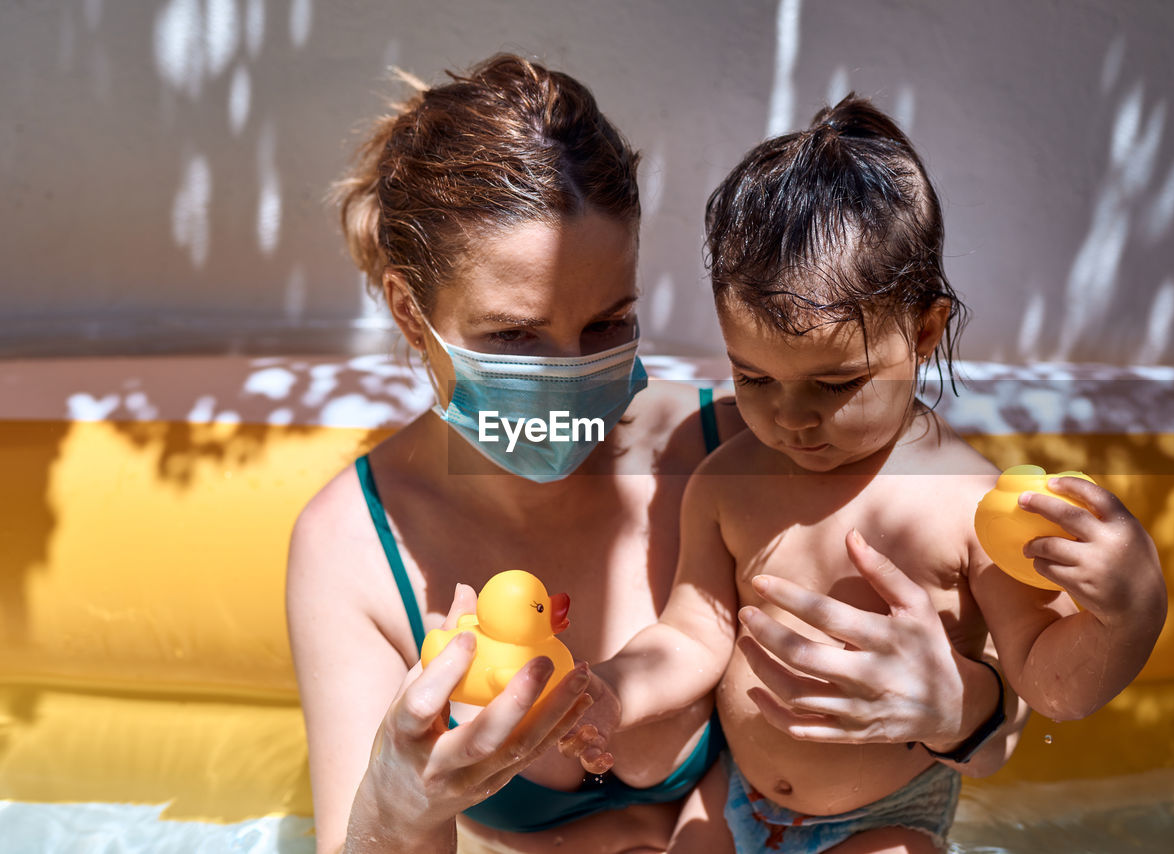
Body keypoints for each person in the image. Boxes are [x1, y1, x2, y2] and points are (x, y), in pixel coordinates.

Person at [286, 55, 1023, 854]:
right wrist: (399, 805)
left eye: (607, 323)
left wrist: (969, 708)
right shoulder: (353, 550)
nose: (569, 371)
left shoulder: (747, 447)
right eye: (516, 336)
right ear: (408, 309)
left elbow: (989, 734)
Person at [591, 94, 1168, 853]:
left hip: (886, 818)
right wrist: (608, 693)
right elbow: (695, 634)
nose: (791, 417)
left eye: (835, 385)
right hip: (735, 797)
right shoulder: (729, 483)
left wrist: (1131, 612)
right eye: (754, 378)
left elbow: (1049, 688)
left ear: (925, 329)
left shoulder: (967, 508)